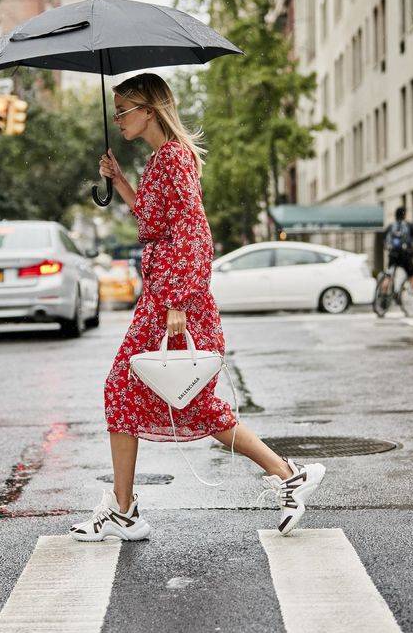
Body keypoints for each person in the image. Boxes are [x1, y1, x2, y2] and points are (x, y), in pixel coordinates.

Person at [69, 73, 326, 542]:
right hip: (165, 298)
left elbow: (194, 236)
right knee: (156, 399)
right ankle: (284, 474)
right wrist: (121, 181)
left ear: (150, 110)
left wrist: (178, 307)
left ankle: (284, 473)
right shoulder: (162, 160)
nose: (119, 119)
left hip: (174, 301)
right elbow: (152, 220)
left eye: (124, 110)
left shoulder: (173, 159)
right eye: (118, 112)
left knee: (156, 397)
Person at [381, 206, 413, 309]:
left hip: (393, 256)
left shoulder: (391, 226)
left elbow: (384, 241)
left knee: (388, 276)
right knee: (412, 276)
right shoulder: (409, 226)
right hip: (405, 256)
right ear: (404, 215)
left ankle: (383, 297)